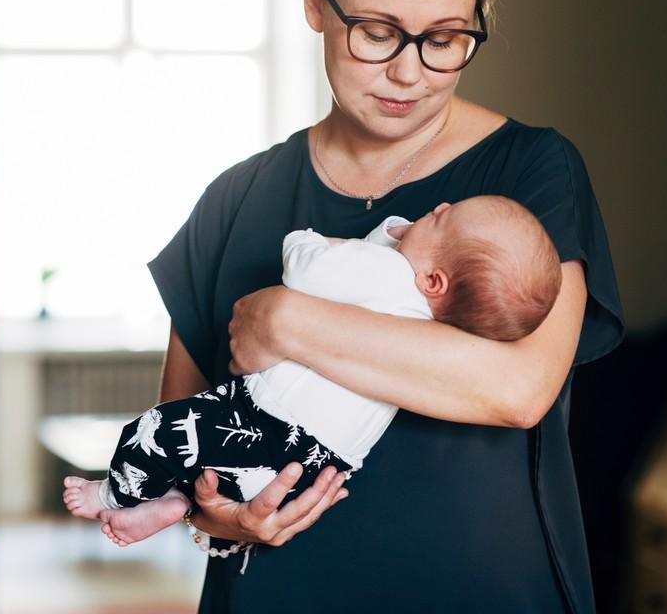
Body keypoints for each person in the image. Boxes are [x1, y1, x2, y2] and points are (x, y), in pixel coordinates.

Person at [142, 0, 623, 613]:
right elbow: (179, 442)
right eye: (377, 32)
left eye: (446, 39)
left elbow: (518, 388)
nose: (409, 72)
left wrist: (289, 322)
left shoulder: (533, 170)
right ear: (314, 0)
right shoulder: (236, 199)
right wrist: (217, 518)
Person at [61, 195, 562, 550]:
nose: (437, 208)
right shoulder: (432, 328)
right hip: (319, 469)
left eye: (440, 219)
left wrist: (308, 238)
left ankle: (116, 494)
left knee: (153, 430)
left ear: (432, 280)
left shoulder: (387, 274)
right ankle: (171, 503)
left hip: (267, 422)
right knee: (206, 467)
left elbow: (309, 269)